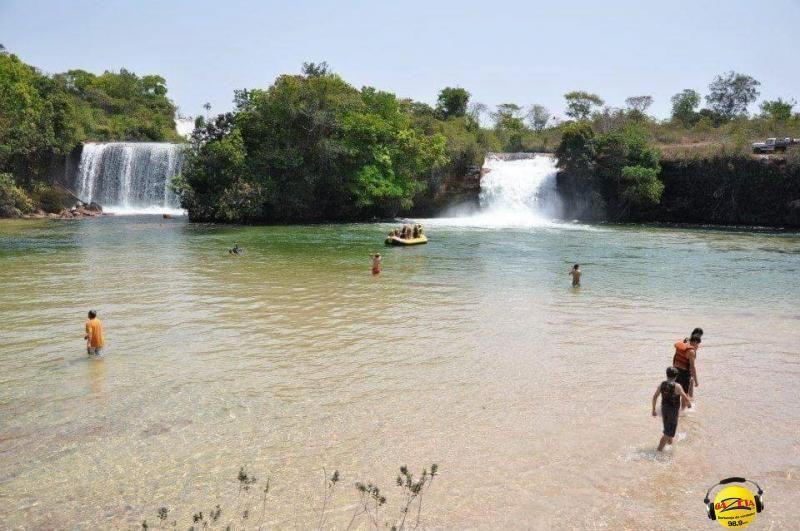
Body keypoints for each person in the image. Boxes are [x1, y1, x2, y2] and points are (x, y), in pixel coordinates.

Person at [652, 366, 691, 451]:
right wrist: (689, 404)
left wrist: (654, 409)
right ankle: (658, 450)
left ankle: (670, 446)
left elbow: (655, 397)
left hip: (664, 409)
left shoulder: (662, 384)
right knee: (668, 433)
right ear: (676, 376)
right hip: (673, 411)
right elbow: (685, 397)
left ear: (667, 375)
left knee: (667, 429)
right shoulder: (677, 386)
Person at [672, 333, 701, 409]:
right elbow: (693, 367)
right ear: (695, 342)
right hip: (684, 374)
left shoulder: (681, 346)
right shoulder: (691, 351)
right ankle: (682, 412)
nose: (698, 346)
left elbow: (675, 356)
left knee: (676, 392)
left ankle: (675, 409)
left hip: (676, 371)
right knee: (685, 393)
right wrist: (696, 381)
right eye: (698, 344)